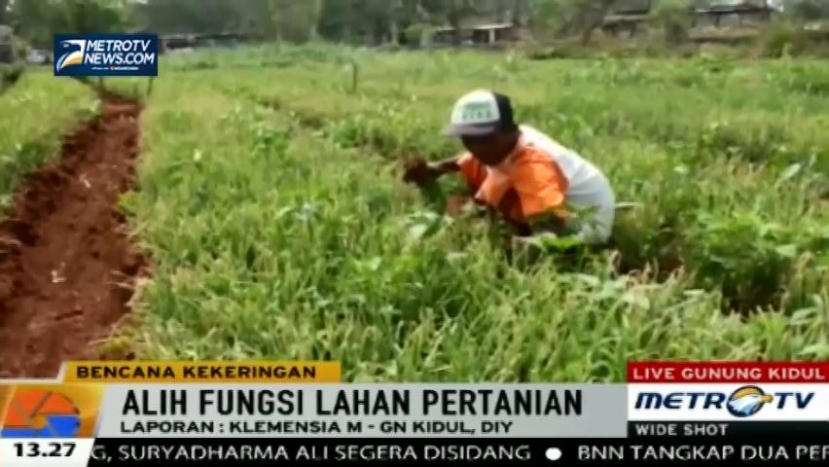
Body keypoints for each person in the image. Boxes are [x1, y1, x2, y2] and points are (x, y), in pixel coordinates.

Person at [403, 89, 615, 247]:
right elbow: (467, 158)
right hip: (557, 203)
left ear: (507, 131)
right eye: (468, 139)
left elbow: (549, 237)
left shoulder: (533, 166)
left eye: (483, 139)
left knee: (485, 221)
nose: (476, 148)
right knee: (483, 193)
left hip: (580, 225)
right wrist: (435, 169)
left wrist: (495, 244)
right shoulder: (505, 145)